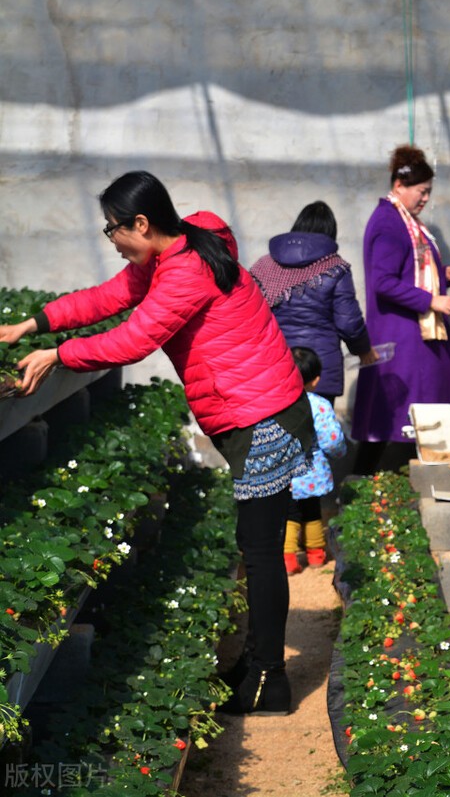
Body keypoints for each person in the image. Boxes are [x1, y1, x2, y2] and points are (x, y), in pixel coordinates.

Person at [0, 171, 311, 717]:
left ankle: (271, 681)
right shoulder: (189, 242)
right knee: (255, 548)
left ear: (141, 224)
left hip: (262, 417)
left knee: (260, 554)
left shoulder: (184, 274)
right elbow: (110, 297)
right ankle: (259, 664)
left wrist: (58, 355)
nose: (112, 241)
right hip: (264, 407)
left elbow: (136, 337)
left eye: (112, 230)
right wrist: (33, 323)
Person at [351, 144, 450, 473]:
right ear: (399, 186)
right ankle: (371, 486)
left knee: (404, 418)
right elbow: (383, 281)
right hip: (402, 338)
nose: (425, 199)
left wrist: (443, 275)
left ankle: (387, 487)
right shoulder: (390, 224)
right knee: (397, 419)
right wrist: (432, 300)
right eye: (422, 191)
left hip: (412, 335)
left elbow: (408, 271)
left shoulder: (405, 222)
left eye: (429, 192)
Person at [249, 201, 376, 408]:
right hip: (319, 373)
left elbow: (249, 315)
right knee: (320, 434)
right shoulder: (335, 267)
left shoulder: (264, 265)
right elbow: (348, 323)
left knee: (279, 436)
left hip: (274, 367)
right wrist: (364, 350)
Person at [284, 347, 344, 575]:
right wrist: (339, 452)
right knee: (312, 512)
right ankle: (316, 555)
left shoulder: (276, 403)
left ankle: (288, 559)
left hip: (284, 472)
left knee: (289, 514)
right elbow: (331, 440)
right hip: (312, 472)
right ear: (316, 379)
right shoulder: (319, 405)